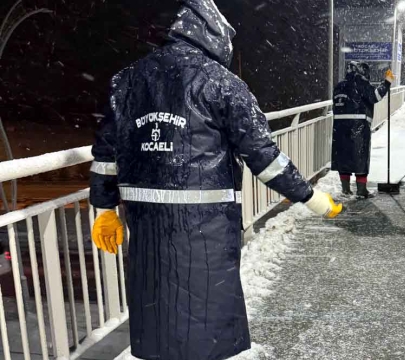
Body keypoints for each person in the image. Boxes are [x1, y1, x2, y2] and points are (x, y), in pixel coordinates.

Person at [88, 1, 342, 360]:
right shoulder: (221, 83)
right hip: (204, 227)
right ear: (213, 34)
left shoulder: (127, 81)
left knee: (157, 312)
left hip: (145, 225)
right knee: (206, 317)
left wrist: (104, 208)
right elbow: (263, 156)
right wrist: (309, 196)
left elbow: (105, 154)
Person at [331, 62, 394, 198]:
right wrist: (387, 82)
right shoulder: (361, 84)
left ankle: (346, 189)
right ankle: (361, 191)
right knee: (360, 157)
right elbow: (375, 96)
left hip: (339, 128)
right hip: (358, 126)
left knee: (344, 158)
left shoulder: (339, 86)